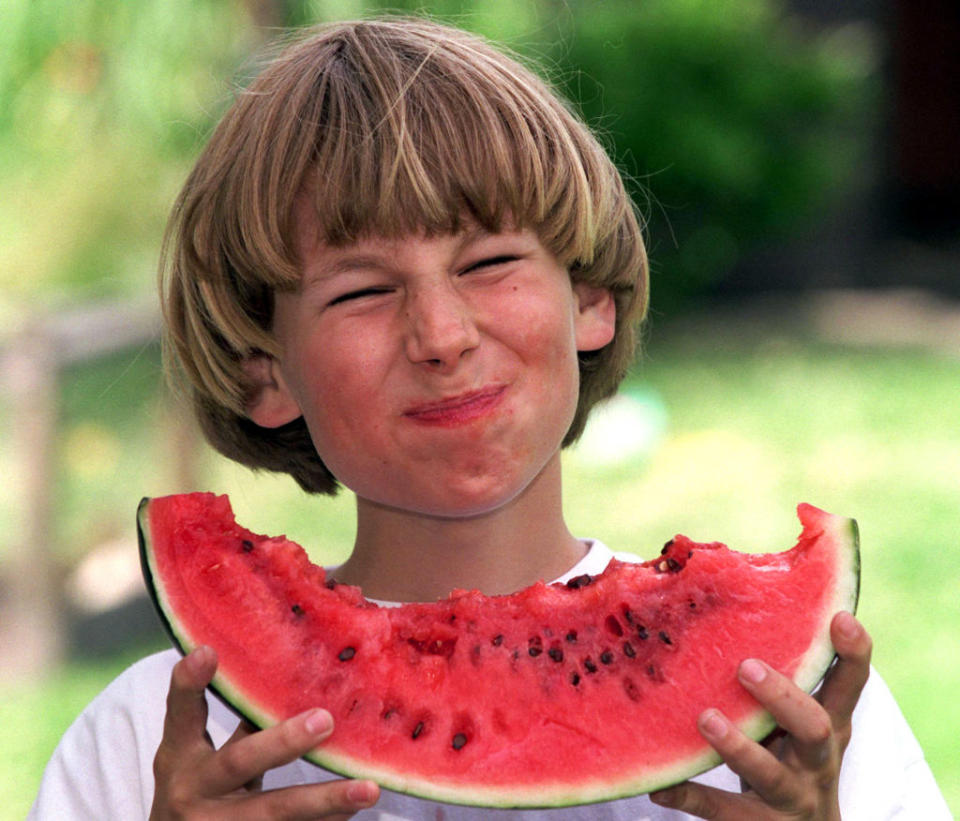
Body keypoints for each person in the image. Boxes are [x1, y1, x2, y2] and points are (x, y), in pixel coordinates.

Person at [31, 17, 950, 820]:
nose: (440, 334)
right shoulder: (154, 743)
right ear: (263, 370)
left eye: (487, 264)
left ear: (589, 300)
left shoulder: (803, 724)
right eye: (361, 291)